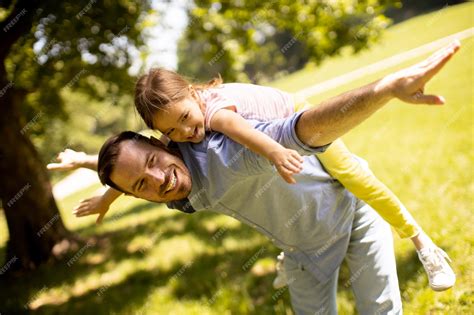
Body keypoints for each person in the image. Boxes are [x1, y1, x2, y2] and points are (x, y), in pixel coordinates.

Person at [48, 41, 461, 314]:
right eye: (142, 186)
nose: (159, 181)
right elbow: (134, 173)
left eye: (155, 163)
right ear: (165, 136)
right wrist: (97, 177)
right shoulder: (176, 187)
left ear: (161, 146)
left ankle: (422, 243)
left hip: (352, 213)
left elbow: (302, 129)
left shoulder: (223, 147)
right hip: (305, 250)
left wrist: (385, 89)